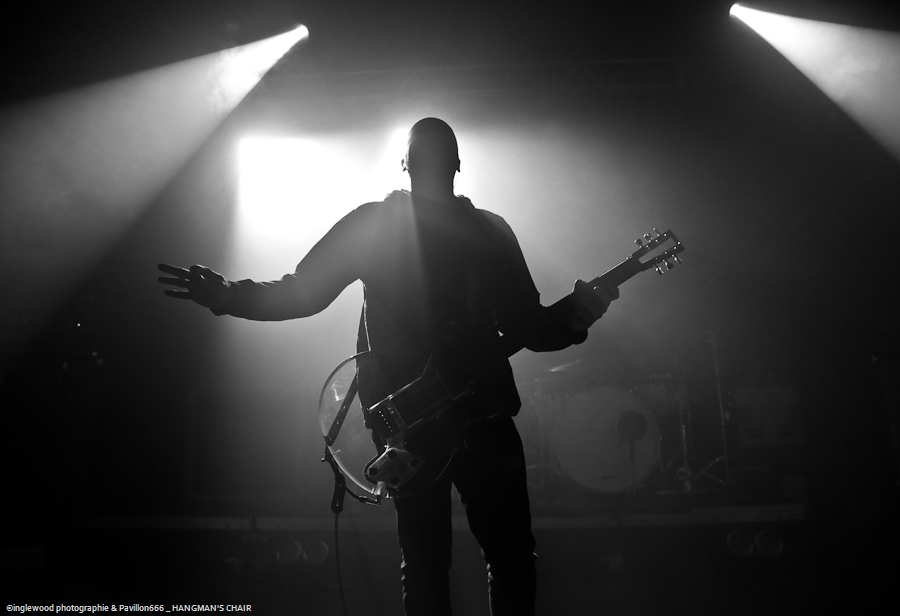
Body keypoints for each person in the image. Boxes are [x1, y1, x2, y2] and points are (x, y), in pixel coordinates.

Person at [158, 118, 618, 615]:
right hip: (426, 421)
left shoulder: (459, 229)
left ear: (427, 163)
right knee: (473, 560)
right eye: (425, 151)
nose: (430, 159)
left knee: (461, 560)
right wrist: (229, 295)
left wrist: (580, 314)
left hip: (446, 418)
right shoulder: (412, 226)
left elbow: (529, 327)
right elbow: (303, 291)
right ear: (426, 164)